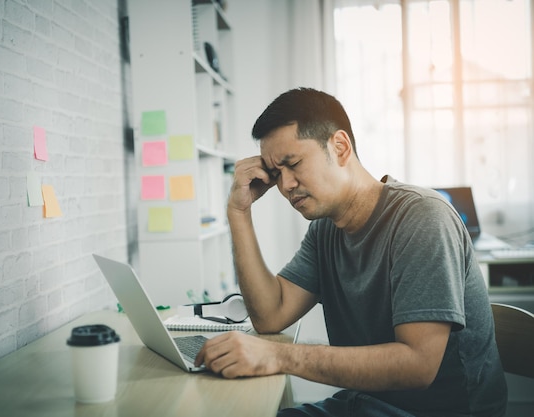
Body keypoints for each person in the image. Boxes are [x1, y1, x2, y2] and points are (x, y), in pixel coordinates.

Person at [194, 88, 507, 417]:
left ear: (339, 146)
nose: (285, 185)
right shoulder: (325, 230)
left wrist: (277, 356)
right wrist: (238, 212)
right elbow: (270, 314)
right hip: (365, 404)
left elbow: (417, 365)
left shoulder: (422, 218)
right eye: (276, 174)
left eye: (293, 164)